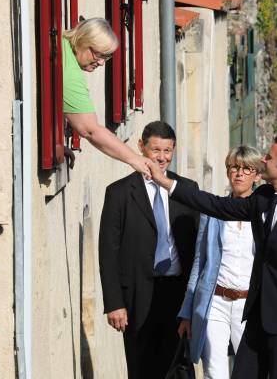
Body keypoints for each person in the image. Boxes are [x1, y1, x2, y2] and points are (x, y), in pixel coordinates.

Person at [149, 134, 277, 379]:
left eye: (270, 156)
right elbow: (216, 206)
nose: (264, 159)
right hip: (256, 318)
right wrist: (166, 182)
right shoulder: (265, 197)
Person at [98, 121, 199, 379]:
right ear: (141, 147)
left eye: (168, 151)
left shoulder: (187, 190)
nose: (162, 157)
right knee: (141, 367)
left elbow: (198, 246)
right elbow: (108, 252)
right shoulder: (119, 193)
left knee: (177, 368)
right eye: (156, 150)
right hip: (137, 296)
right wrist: (114, 303)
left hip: (177, 293)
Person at [177, 146, 263, 379]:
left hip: (249, 306)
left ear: (257, 176)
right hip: (215, 302)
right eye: (234, 167)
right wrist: (187, 312)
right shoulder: (213, 211)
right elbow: (200, 262)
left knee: (250, 371)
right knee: (214, 372)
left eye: (247, 169)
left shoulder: (264, 213)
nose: (239, 174)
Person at [62, 17, 151, 175]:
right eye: (99, 55)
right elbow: (90, 130)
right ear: (83, 41)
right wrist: (134, 159)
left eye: (107, 57)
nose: (102, 63)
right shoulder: (70, 75)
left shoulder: (64, 45)